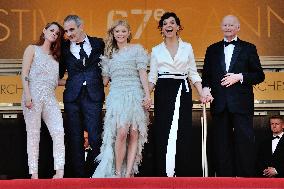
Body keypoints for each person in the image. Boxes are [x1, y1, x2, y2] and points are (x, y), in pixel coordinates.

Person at [202, 15, 265, 177]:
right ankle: (224, 179)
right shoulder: (212, 49)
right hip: (220, 103)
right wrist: (206, 89)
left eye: (231, 25)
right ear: (221, 27)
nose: (228, 27)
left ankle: (245, 178)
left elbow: (259, 75)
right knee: (221, 143)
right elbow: (207, 75)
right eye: (225, 25)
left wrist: (239, 77)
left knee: (244, 141)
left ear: (238, 27)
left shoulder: (248, 48)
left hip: (241, 103)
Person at [148, 12, 206, 177]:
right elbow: (153, 77)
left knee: (183, 131)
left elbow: (193, 74)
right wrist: (146, 95)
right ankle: (163, 174)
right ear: (161, 28)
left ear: (178, 27)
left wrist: (201, 93)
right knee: (163, 130)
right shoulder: (156, 50)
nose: (169, 26)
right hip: (164, 90)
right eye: (165, 23)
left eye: (172, 23)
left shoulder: (187, 47)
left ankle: (181, 174)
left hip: (183, 89)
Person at [92, 19, 151, 178]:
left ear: (128, 33)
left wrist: (147, 95)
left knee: (134, 132)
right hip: (117, 95)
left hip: (135, 94)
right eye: (117, 31)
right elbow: (104, 81)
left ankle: (128, 173)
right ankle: (117, 172)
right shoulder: (108, 55)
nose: (120, 34)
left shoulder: (137, 50)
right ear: (113, 33)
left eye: (123, 31)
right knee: (122, 132)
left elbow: (142, 73)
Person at [59, 15, 105, 177]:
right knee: (75, 137)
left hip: (93, 95)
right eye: (66, 31)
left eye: (71, 29)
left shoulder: (99, 43)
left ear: (81, 26)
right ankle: (79, 178)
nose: (69, 33)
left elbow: (107, 65)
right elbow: (58, 71)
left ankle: (98, 175)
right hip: (72, 97)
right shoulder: (64, 47)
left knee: (95, 136)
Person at [21, 22, 65, 179]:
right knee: (33, 134)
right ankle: (34, 174)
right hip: (32, 95)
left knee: (59, 131)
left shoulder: (56, 57)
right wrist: (27, 95)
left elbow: (55, 81)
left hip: (50, 98)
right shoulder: (32, 49)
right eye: (52, 30)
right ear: (44, 30)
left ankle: (59, 171)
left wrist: (74, 81)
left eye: (57, 33)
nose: (54, 33)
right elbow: (24, 73)